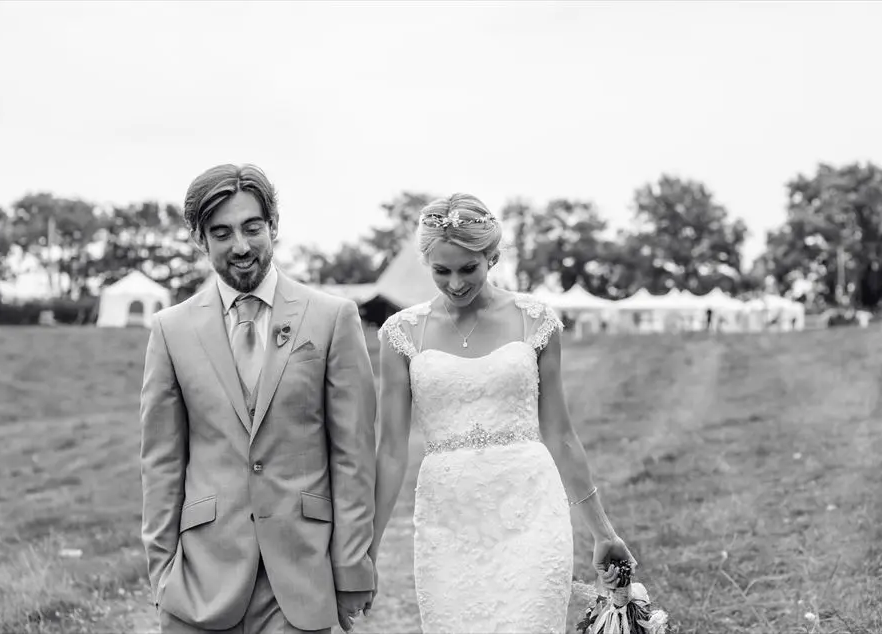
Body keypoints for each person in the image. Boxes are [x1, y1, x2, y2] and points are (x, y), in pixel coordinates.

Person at [369, 193, 637, 633]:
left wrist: (603, 532)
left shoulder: (535, 320)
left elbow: (561, 434)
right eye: (441, 271)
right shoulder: (400, 334)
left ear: (491, 256)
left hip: (530, 513)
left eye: (467, 268)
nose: (455, 283)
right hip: (447, 523)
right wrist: (370, 551)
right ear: (426, 262)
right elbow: (391, 451)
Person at [140, 164, 377, 634]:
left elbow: (353, 455)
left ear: (273, 226)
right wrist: (162, 571)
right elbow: (161, 461)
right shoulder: (172, 330)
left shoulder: (332, 318)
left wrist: (351, 567)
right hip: (201, 579)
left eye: (252, 227)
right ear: (198, 239)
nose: (241, 246)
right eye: (222, 232)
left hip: (300, 573)